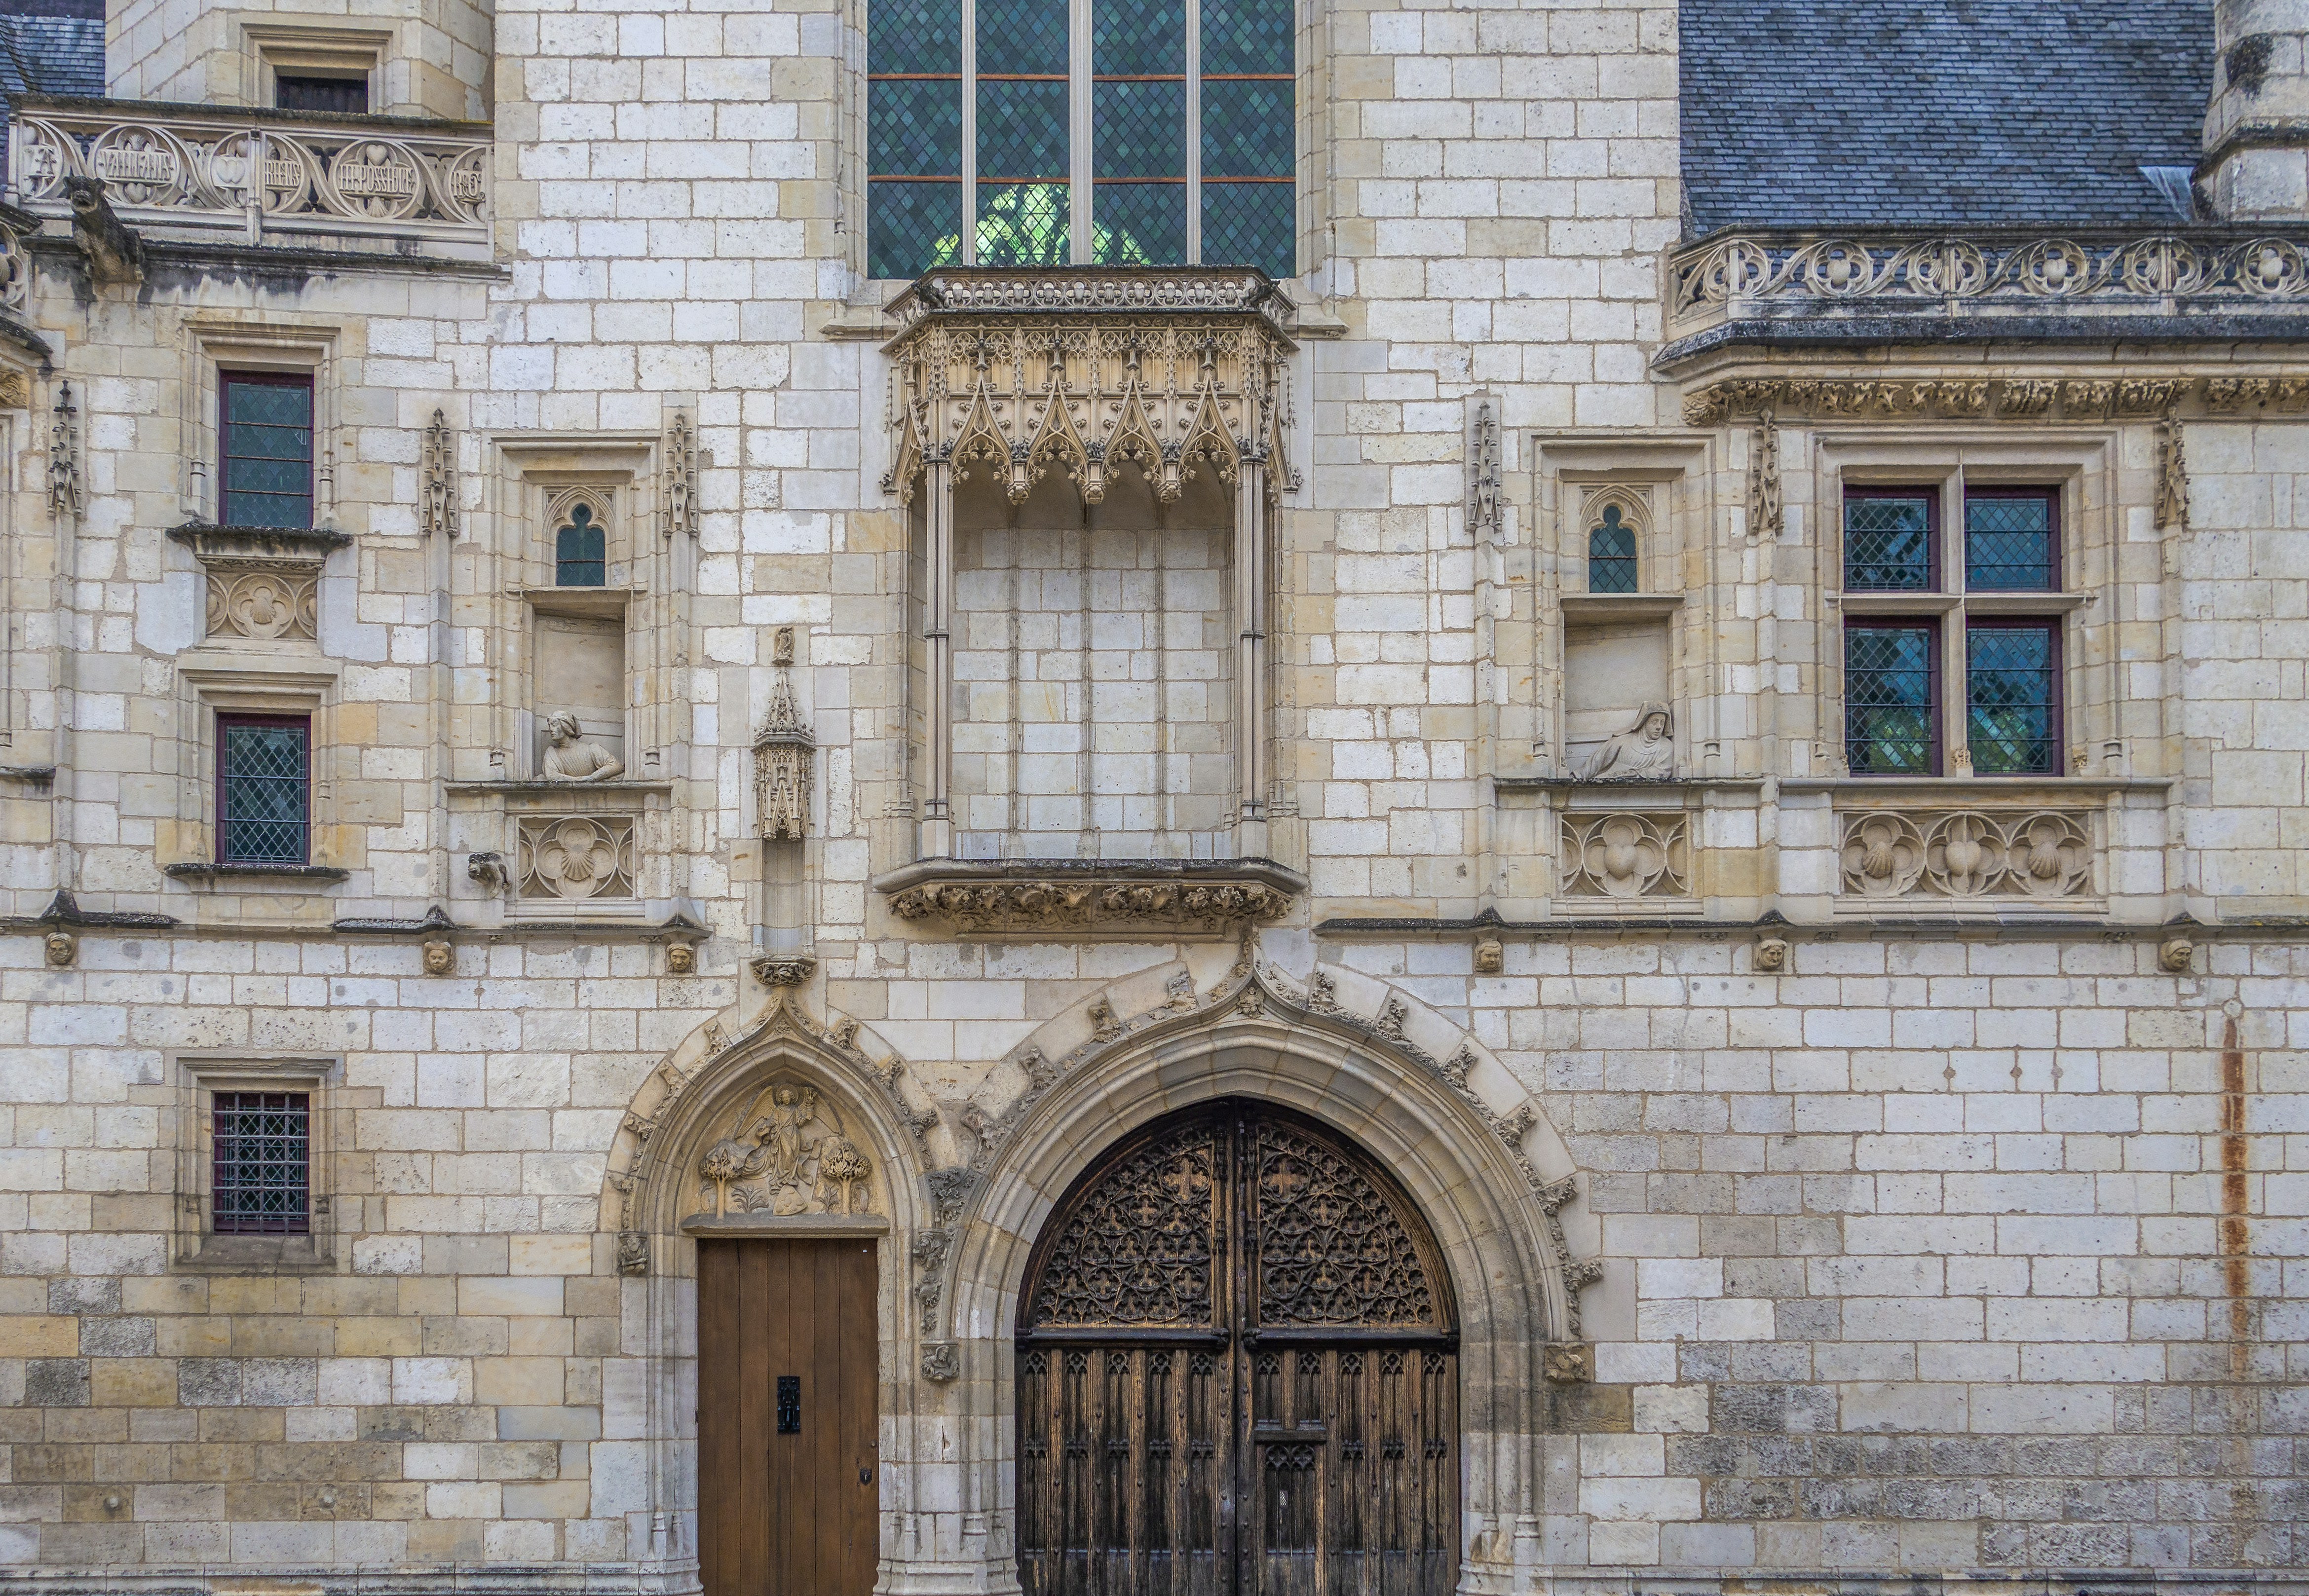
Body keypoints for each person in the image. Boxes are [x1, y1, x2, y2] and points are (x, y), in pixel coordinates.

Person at [1578, 702, 1675, 781]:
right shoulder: (1622, 740)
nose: (1659, 727)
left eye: (1662, 723)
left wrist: (1631, 773)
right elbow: (1597, 761)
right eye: (1654, 722)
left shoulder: (1666, 746)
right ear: (1644, 722)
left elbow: (1661, 772)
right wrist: (1577, 777)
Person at [541, 712, 624, 780]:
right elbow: (551, 775)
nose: (550, 729)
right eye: (550, 726)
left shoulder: (592, 749)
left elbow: (616, 766)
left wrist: (593, 777)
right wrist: (578, 781)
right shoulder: (552, 753)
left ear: (566, 726)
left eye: (554, 724)